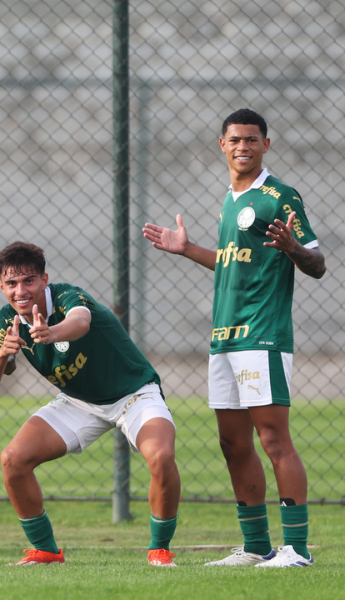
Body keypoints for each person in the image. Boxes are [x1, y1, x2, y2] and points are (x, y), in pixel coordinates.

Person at [143, 108, 325, 568]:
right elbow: (231, 261)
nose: (242, 146)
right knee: (233, 444)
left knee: (273, 440)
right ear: (222, 145)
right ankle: (257, 545)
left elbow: (318, 263)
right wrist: (186, 249)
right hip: (224, 337)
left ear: (267, 144)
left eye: (252, 139)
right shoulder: (230, 200)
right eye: (234, 139)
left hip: (261, 335)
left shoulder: (279, 196)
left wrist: (294, 249)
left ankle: (297, 550)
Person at [0, 242, 180, 567]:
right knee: (12, 460)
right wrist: (1, 354)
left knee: (161, 456)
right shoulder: (4, 321)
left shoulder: (66, 296)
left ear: (44, 279)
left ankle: (160, 550)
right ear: (1, 286)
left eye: (28, 281)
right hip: (79, 402)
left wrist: (50, 332)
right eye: (11, 284)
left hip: (134, 393)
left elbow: (81, 322)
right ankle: (45, 550)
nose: (20, 291)